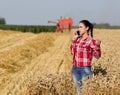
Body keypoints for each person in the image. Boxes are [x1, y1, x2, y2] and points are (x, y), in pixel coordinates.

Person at [70, 20, 101, 95]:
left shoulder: (91, 41)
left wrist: (98, 46)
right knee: (78, 91)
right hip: (75, 68)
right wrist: (74, 40)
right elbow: (72, 52)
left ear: (87, 28)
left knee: (85, 91)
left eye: (81, 27)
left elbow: (97, 56)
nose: (78, 29)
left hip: (85, 69)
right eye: (78, 27)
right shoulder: (78, 40)